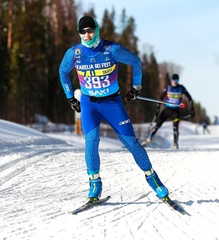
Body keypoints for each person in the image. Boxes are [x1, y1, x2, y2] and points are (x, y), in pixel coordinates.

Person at [59, 16, 168, 201]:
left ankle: (153, 178)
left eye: (90, 30)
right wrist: (70, 97)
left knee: (131, 142)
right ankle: (94, 183)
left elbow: (135, 62)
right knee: (91, 141)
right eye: (83, 32)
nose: (87, 35)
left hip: (112, 103)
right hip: (89, 104)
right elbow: (62, 71)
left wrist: (136, 87)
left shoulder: (112, 49)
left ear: (97, 29)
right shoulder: (75, 53)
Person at [141, 73, 194, 149]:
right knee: (157, 125)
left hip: (176, 112)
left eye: (177, 80)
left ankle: (175, 144)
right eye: (174, 80)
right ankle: (149, 139)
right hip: (167, 110)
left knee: (175, 128)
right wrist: (157, 109)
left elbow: (190, 99)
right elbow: (160, 99)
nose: (175, 81)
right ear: (171, 80)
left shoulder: (182, 88)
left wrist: (192, 109)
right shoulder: (168, 87)